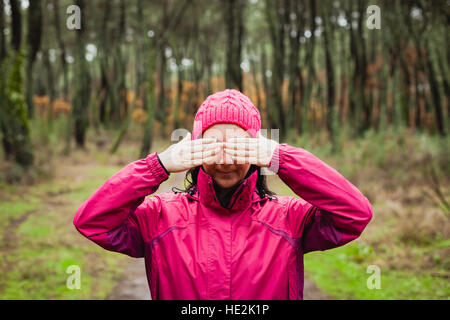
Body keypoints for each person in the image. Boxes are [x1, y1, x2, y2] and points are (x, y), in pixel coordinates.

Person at [73, 89, 373, 300]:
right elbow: (92, 222)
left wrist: (282, 158)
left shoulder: (289, 219)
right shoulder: (160, 216)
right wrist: (158, 166)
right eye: (213, 146)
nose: (226, 160)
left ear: (258, 150)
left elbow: (354, 215)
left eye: (240, 147)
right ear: (194, 148)